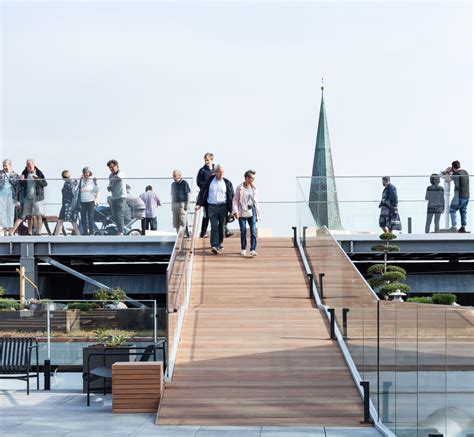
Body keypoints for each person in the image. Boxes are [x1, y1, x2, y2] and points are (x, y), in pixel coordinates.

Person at [196, 152, 233, 238]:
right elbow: (198, 182)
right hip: (208, 196)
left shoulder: (216, 168)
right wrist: (206, 187)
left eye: (208, 160)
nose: (206, 162)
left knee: (222, 216)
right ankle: (203, 232)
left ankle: (226, 230)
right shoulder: (202, 170)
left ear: (212, 160)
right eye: (205, 160)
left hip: (219, 196)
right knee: (207, 215)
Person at [198, 165, 234, 254]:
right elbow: (202, 192)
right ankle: (214, 245)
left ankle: (220, 243)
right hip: (212, 207)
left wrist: (232, 209)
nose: (221, 173)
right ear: (215, 172)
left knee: (221, 226)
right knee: (214, 226)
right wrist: (199, 204)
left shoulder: (227, 182)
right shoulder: (209, 181)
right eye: (219, 171)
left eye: (222, 171)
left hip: (223, 207)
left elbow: (231, 196)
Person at [12, 159, 47, 236]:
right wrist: (21, 180)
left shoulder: (39, 172)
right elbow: (21, 185)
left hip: (38, 198)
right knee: (29, 215)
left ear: (33, 165)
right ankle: (30, 232)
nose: (29, 167)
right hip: (28, 197)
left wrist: (37, 179)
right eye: (27, 165)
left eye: (30, 165)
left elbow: (44, 184)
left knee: (38, 215)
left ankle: (39, 232)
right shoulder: (24, 172)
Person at [232, 170, 260, 257]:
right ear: (247, 178)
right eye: (252, 178)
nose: (253, 180)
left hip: (252, 211)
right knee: (243, 231)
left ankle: (252, 249)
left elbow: (255, 200)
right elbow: (235, 200)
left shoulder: (254, 188)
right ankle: (243, 248)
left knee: (253, 231)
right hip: (242, 212)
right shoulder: (240, 188)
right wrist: (235, 211)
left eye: (254, 178)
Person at [54, 170, 80, 236]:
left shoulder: (67, 184)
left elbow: (72, 194)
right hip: (71, 205)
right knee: (72, 221)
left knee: (61, 220)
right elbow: (74, 192)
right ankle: (79, 236)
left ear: (63, 177)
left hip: (67, 205)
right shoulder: (72, 183)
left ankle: (56, 236)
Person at [106, 159, 127, 236]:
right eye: (110, 168)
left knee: (119, 214)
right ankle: (119, 229)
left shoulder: (121, 173)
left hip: (121, 197)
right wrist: (109, 187)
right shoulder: (110, 175)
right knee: (114, 214)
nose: (111, 169)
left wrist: (112, 180)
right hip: (114, 197)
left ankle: (121, 232)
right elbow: (110, 185)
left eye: (112, 167)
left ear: (117, 166)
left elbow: (118, 177)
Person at [0, 159, 20, 236]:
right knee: (3, 213)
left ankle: (11, 230)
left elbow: (18, 187)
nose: (4, 167)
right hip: (2, 195)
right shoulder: (0, 173)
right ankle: (5, 230)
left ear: (10, 165)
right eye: (3, 165)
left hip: (12, 196)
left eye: (6, 165)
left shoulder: (14, 174)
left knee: (11, 213)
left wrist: (18, 199)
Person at [449, 160, 470, 233]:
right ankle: (463, 227)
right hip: (467, 196)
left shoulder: (456, 174)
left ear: (453, 167)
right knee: (463, 211)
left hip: (459, 196)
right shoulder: (465, 172)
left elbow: (447, 180)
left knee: (452, 209)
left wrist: (447, 171)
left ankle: (454, 227)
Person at [78, 167, 99, 235]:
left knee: (90, 217)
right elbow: (78, 189)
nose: (86, 174)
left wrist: (95, 183)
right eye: (84, 172)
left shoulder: (92, 180)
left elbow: (96, 190)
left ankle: (91, 232)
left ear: (89, 173)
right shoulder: (81, 180)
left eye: (87, 172)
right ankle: (85, 232)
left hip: (90, 201)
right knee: (83, 218)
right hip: (82, 201)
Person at [171, 170, 190, 234]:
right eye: (173, 175)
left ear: (179, 175)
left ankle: (184, 235)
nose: (173, 177)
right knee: (176, 223)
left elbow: (188, 194)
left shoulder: (184, 183)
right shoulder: (173, 184)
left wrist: (187, 205)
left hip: (182, 204)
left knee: (183, 221)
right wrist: (172, 206)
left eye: (175, 175)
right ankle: (178, 235)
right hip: (175, 204)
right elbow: (172, 195)